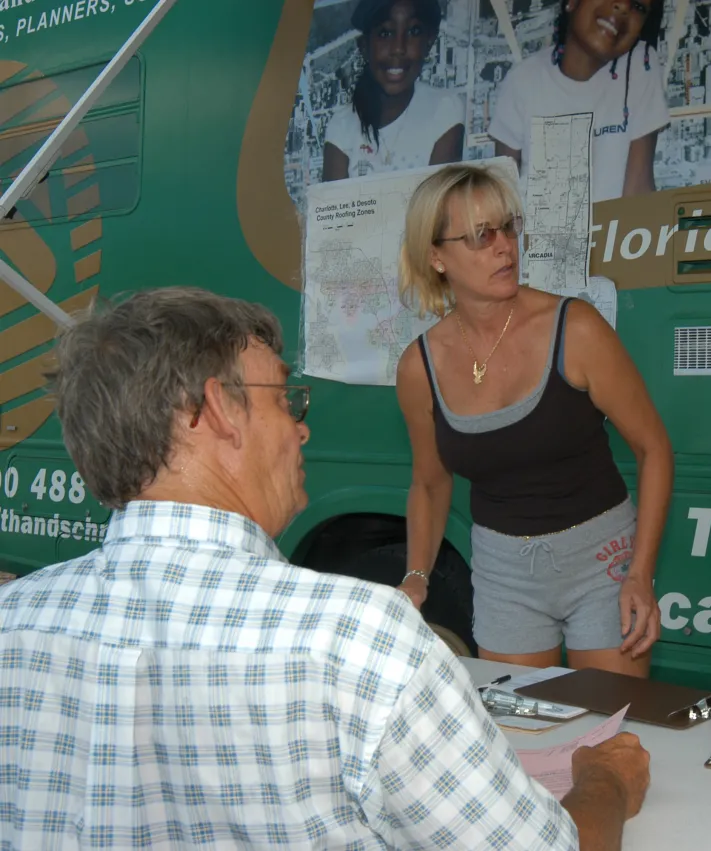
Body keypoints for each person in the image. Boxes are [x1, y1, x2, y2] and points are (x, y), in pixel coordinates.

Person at [0, 287, 650, 850]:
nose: (301, 431)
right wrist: (607, 779)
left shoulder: (14, 623)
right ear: (219, 411)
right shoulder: (359, 637)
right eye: (287, 401)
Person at [394, 162, 673, 676]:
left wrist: (639, 573)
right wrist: (417, 575)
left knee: (609, 731)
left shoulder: (577, 328)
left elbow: (654, 450)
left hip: (602, 562)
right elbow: (431, 484)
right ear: (436, 256)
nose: (504, 246)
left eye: (508, 227)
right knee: (523, 733)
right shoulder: (418, 368)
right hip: (503, 574)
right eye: (480, 236)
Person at [487, 0, 668, 203]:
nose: (624, 6)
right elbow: (502, 194)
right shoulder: (523, 79)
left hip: (617, 232)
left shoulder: (640, 64)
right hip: (539, 231)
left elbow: (638, 191)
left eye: (639, 7)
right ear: (572, 3)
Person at [322, 0, 464, 181]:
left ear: (429, 42)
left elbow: (436, 204)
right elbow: (333, 206)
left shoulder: (445, 110)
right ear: (364, 46)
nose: (398, 48)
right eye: (385, 33)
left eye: (413, 31)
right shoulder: (342, 126)